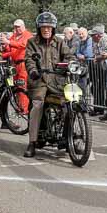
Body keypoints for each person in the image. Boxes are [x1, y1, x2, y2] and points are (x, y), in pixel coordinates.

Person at [23, 12, 74, 158]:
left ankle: (67, 138)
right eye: (44, 27)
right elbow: (29, 60)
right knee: (37, 105)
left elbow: (69, 56)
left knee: (69, 104)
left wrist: (72, 64)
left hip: (57, 81)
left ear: (54, 28)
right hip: (39, 82)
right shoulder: (32, 42)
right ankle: (32, 142)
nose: (46, 30)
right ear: (39, 28)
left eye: (49, 27)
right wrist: (33, 71)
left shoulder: (59, 42)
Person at [0, 19, 34, 114]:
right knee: (15, 87)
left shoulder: (28, 35)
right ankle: (20, 107)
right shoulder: (14, 36)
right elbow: (10, 47)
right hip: (15, 64)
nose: (16, 28)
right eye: (15, 26)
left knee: (22, 86)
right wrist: (4, 46)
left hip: (23, 64)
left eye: (18, 26)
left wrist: (8, 42)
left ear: (23, 26)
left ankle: (25, 109)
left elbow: (22, 45)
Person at [88, 24, 107, 116]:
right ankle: (98, 108)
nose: (91, 37)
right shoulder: (94, 41)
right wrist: (98, 57)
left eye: (92, 35)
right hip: (99, 67)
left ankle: (106, 109)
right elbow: (95, 53)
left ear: (98, 35)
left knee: (105, 88)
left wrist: (98, 57)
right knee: (95, 87)